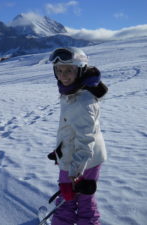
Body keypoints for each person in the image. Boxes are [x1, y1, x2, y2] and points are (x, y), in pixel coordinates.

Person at [47, 47, 108, 225]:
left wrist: (75, 170)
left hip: (80, 162)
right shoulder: (72, 92)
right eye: (59, 70)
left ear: (80, 70)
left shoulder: (81, 100)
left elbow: (85, 137)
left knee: (72, 200)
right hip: (78, 158)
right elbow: (72, 129)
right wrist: (60, 150)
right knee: (74, 198)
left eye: (69, 70)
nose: (63, 75)